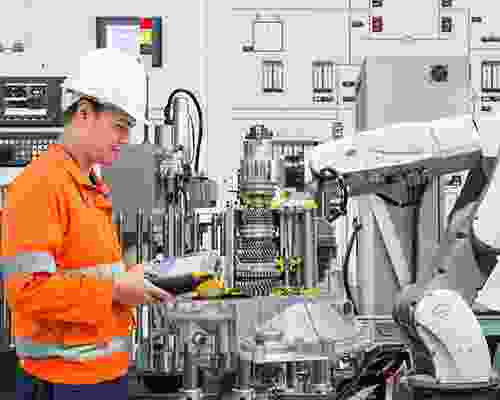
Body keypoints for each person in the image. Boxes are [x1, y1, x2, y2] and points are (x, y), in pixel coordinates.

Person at [1, 48, 174, 399]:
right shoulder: (40, 186)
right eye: (120, 126)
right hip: (62, 382)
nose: (125, 139)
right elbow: (28, 293)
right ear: (83, 113)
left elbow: (88, 271)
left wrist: (135, 276)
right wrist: (117, 289)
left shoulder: (89, 186)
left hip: (101, 376)